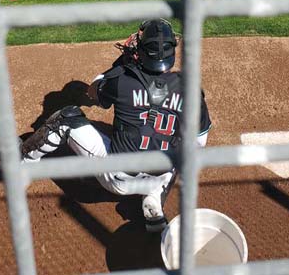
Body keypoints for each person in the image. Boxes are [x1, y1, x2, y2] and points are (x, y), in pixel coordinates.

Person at [19, 19, 212, 232]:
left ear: (140, 51)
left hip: (117, 178)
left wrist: (122, 63)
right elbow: (199, 142)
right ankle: (154, 201)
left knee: (66, 118)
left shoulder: (122, 80)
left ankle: (23, 162)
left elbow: (93, 93)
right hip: (160, 177)